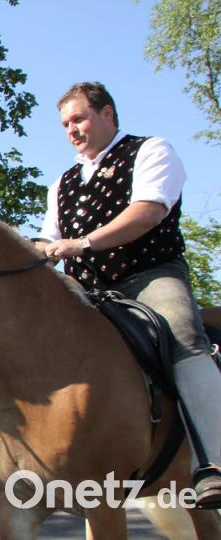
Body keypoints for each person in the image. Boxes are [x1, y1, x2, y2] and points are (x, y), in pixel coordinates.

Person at [35, 81, 221, 508]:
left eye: (79, 118)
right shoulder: (63, 182)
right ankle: (27, 462)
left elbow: (148, 212)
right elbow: (47, 242)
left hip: (148, 277)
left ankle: (211, 463)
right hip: (86, 291)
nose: (72, 130)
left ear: (108, 115)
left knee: (182, 333)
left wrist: (80, 244)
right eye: (65, 124)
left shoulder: (151, 150)